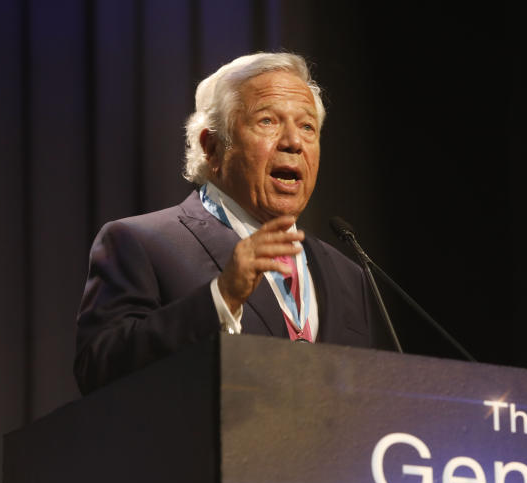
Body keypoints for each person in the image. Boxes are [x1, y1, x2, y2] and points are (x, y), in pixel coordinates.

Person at [75, 52, 387, 394]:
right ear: (212, 147)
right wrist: (222, 298)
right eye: (268, 121)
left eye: (307, 126)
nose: (294, 142)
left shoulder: (348, 275)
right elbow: (99, 368)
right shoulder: (141, 243)